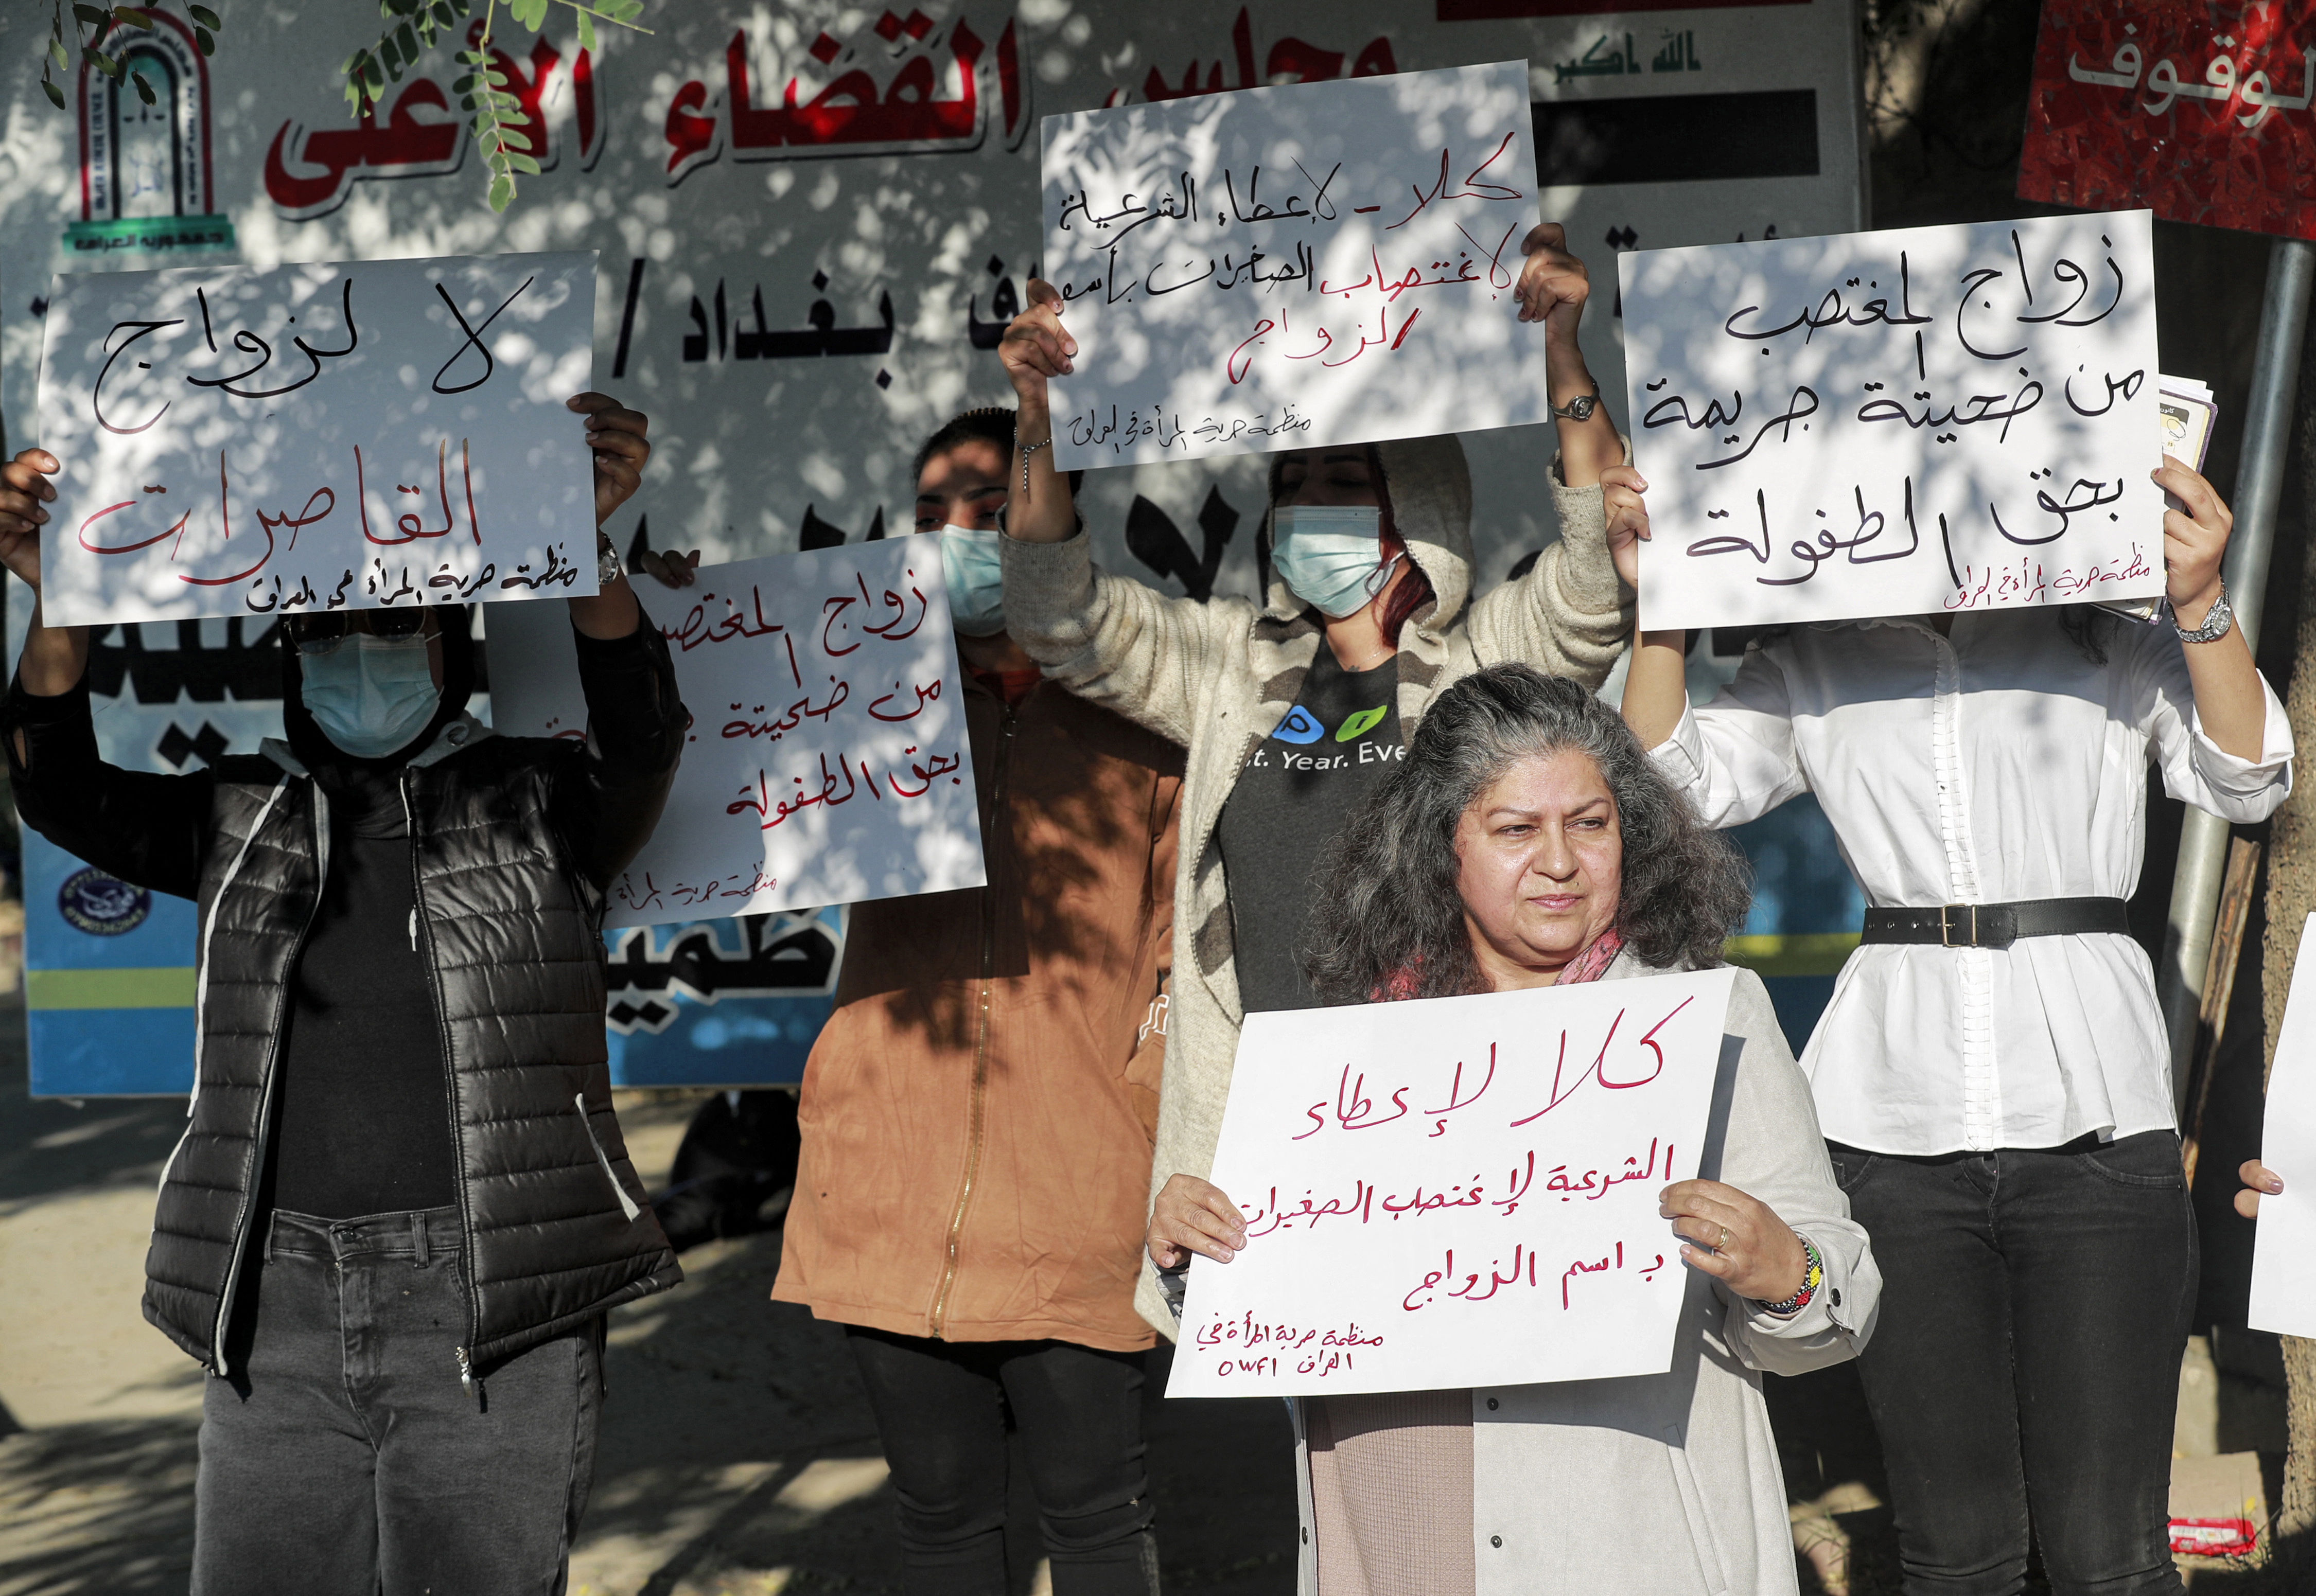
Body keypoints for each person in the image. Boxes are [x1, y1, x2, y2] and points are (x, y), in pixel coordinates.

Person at [0, 394, 685, 1595]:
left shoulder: (537, 802)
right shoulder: (236, 812)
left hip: (491, 1305)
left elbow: (642, 732)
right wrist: (60, 597)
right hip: (273, 1305)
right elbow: (54, 786)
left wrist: (582, 538)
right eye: (327, 625)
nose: (364, 646)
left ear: (454, 639)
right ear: (288, 649)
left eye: (399, 618)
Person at [1609, 434, 2293, 1587]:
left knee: (2106, 1552)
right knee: (1956, 1547)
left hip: (2096, 1116)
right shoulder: (1814, 655)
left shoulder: (2112, 638)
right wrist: (1664, 609)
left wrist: (2201, 602)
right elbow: (1666, 789)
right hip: (1891, 1123)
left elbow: (2251, 776)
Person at [994, 225, 1637, 1331]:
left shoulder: (1484, 664)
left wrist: (1563, 352)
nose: (1309, 507)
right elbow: (1058, 615)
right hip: (1270, 1132)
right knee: (1308, 1414)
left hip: (1456, 1116)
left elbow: (1593, 583)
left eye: (1344, 483)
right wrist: (1037, 419)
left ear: (1417, 518)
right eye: (1293, 484)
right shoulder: (1225, 666)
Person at [1147, 664, 1880, 1594]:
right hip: (1387, 1524)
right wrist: (1202, 1257)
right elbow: (1285, 1312)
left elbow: (1838, 1304)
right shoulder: (1354, 1046)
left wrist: (1789, 1273)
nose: (1562, 862)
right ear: (1440, 843)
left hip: (1620, 1547)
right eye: (1516, 829)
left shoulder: (1709, 1018)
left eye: (1590, 822)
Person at [643, 405, 1185, 1596]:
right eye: (932, 511)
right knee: (939, 1518)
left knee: (1100, 1515)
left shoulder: (1148, 716)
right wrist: (679, 638)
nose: (958, 535)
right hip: (886, 1187)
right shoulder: (852, 700)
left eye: (992, 510)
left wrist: (1144, 1123)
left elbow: (1182, 957)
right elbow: (679, 769)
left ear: (1059, 519)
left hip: (1081, 1193)